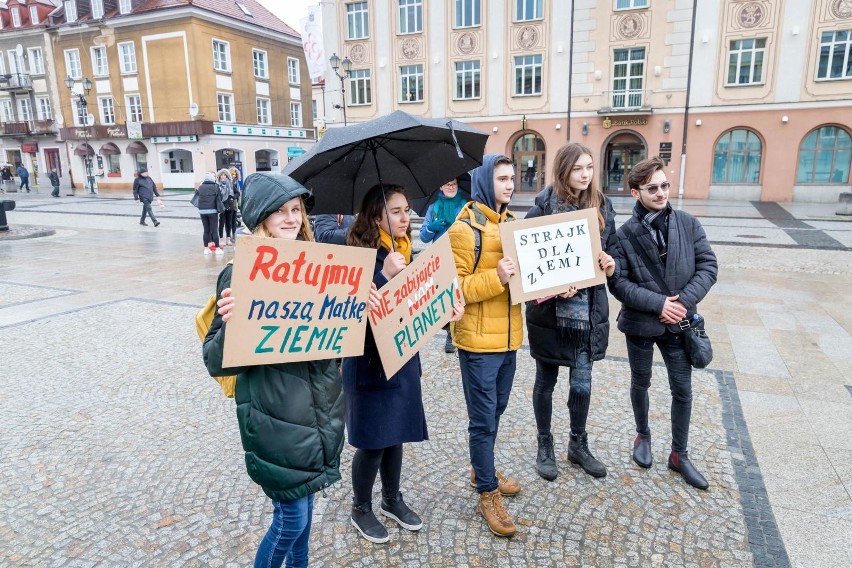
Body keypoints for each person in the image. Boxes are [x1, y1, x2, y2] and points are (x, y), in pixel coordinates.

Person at [203, 172, 345, 568]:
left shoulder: (323, 268)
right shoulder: (240, 273)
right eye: (279, 211)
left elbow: (337, 342)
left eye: (296, 209)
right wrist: (231, 325)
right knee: (291, 519)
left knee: (303, 522)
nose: (290, 218)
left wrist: (356, 309)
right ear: (261, 218)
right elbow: (213, 358)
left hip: (319, 413)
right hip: (275, 418)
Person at [343, 183, 464, 544]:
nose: (405, 216)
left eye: (407, 209)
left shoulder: (406, 252)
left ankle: (391, 499)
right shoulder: (357, 254)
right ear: (376, 215)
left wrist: (447, 312)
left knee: (395, 434)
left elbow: (415, 307)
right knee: (373, 441)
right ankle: (360, 507)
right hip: (368, 364)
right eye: (395, 210)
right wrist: (383, 276)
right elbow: (348, 318)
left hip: (401, 361)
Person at [608, 156, 718, 490]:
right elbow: (619, 283)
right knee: (641, 382)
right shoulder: (623, 235)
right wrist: (659, 304)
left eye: (664, 186)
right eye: (652, 188)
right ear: (634, 192)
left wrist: (681, 303)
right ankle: (643, 435)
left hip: (679, 323)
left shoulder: (688, 223)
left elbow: (708, 266)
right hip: (641, 323)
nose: (660, 193)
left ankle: (679, 455)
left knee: (682, 389)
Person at [524, 143, 617, 482]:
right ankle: (544, 443)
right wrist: (553, 287)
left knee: (582, 384)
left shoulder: (602, 209)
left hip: (587, 314)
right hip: (550, 317)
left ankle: (577, 444)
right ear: (563, 171)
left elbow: (614, 253)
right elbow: (526, 270)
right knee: (545, 382)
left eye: (590, 167)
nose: (585, 174)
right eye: (578, 168)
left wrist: (610, 264)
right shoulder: (540, 213)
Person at [447, 154, 523, 538]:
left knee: (498, 410)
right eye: (502, 179)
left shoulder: (512, 225)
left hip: (509, 338)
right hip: (477, 342)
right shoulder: (464, 229)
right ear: (482, 183)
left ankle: (482, 466)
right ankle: (487, 490)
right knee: (482, 419)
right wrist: (497, 276)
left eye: (512, 178)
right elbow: (456, 289)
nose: (510, 185)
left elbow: (528, 280)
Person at [419, 177, 466, 353]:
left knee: (458, 294)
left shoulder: (464, 206)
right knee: (444, 297)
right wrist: (433, 226)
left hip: (460, 256)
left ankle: (456, 335)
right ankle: (449, 332)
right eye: (447, 184)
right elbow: (424, 237)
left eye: (454, 184)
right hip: (439, 258)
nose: (451, 187)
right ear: (441, 186)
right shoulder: (434, 208)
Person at [195, 172, 223, 255]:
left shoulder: (201, 187)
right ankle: (217, 248)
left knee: (206, 230)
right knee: (214, 230)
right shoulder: (215, 186)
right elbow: (220, 197)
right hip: (212, 211)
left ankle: (206, 249)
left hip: (202, 211)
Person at [216, 169, 237, 246]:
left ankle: (228, 239)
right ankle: (221, 239)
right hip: (221, 207)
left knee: (229, 223)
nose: (223, 176)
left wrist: (232, 197)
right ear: (219, 176)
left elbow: (237, 193)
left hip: (230, 206)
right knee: (221, 223)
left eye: (224, 175)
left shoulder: (231, 184)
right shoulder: (217, 185)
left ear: (227, 176)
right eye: (222, 175)